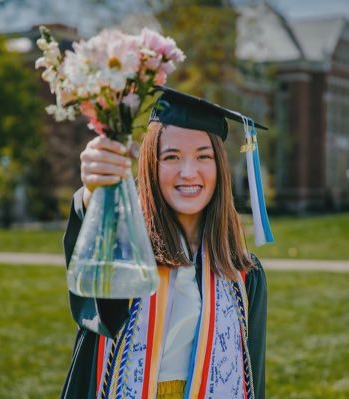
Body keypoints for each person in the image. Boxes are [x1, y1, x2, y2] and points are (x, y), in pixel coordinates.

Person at [61, 87, 267, 399]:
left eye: (203, 156)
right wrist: (94, 194)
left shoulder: (243, 273)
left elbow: (253, 378)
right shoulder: (125, 254)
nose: (188, 172)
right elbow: (95, 301)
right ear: (151, 165)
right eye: (171, 156)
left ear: (219, 168)